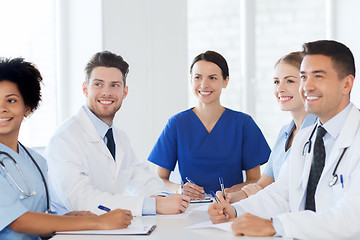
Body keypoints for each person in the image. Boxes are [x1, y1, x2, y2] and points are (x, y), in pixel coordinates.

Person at [0, 58, 132, 240]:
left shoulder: (35, 160)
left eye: (11, 100)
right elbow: (18, 221)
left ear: (27, 108)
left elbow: (38, 226)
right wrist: (99, 222)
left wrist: (65, 219)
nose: (1, 109)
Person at [208, 40, 360, 239]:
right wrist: (236, 210)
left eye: (318, 76)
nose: (307, 86)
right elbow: (281, 193)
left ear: (346, 84)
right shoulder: (307, 137)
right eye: (304, 77)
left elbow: (353, 218)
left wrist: (276, 226)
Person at [46, 51, 190, 217]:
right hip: (73, 232)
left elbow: (141, 177)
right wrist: (153, 205)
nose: (106, 92)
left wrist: (161, 197)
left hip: (109, 227)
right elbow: (79, 199)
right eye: (98, 84)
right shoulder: (65, 137)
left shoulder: (119, 137)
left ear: (124, 92)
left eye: (114, 85)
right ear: (85, 89)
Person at [148, 50, 271, 199]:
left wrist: (236, 191)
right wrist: (180, 189)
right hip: (187, 209)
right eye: (198, 77)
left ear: (225, 81)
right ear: (191, 80)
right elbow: (160, 179)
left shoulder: (243, 124)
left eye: (212, 78)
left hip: (231, 206)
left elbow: (255, 179)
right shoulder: (177, 124)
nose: (204, 84)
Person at [227, 52, 316, 203]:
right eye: (276, 82)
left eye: (289, 81)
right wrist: (231, 198)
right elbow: (262, 185)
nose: (280, 89)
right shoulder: (284, 133)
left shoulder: (320, 132)